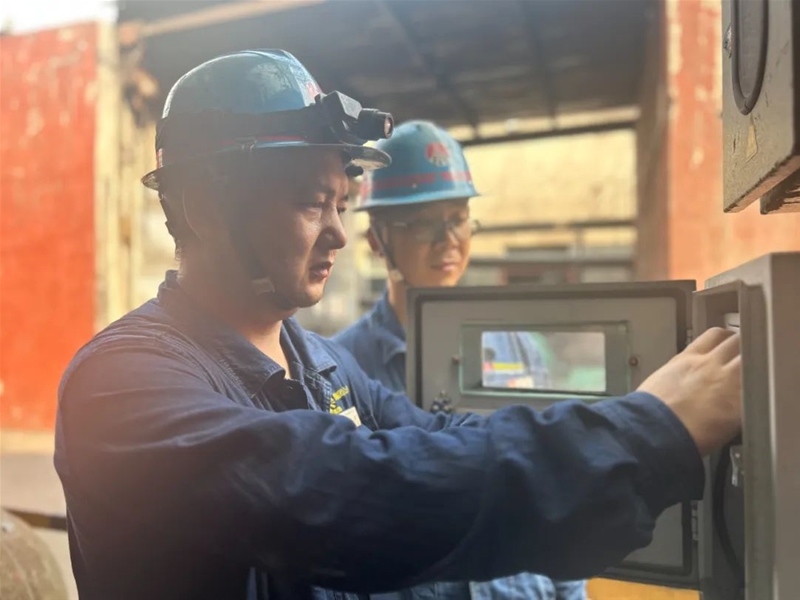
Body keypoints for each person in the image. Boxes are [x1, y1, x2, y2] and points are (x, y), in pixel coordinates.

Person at [54, 50, 743, 600]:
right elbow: (350, 492)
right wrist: (648, 434)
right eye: (310, 202)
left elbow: (439, 438)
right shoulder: (123, 386)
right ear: (203, 208)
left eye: (341, 204)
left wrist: (625, 415)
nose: (337, 234)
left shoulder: (321, 361)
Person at [332, 120, 587, 599]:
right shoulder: (342, 369)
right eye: (424, 223)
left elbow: (553, 481)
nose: (448, 239)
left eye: (458, 218)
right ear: (377, 240)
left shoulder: (518, 348)